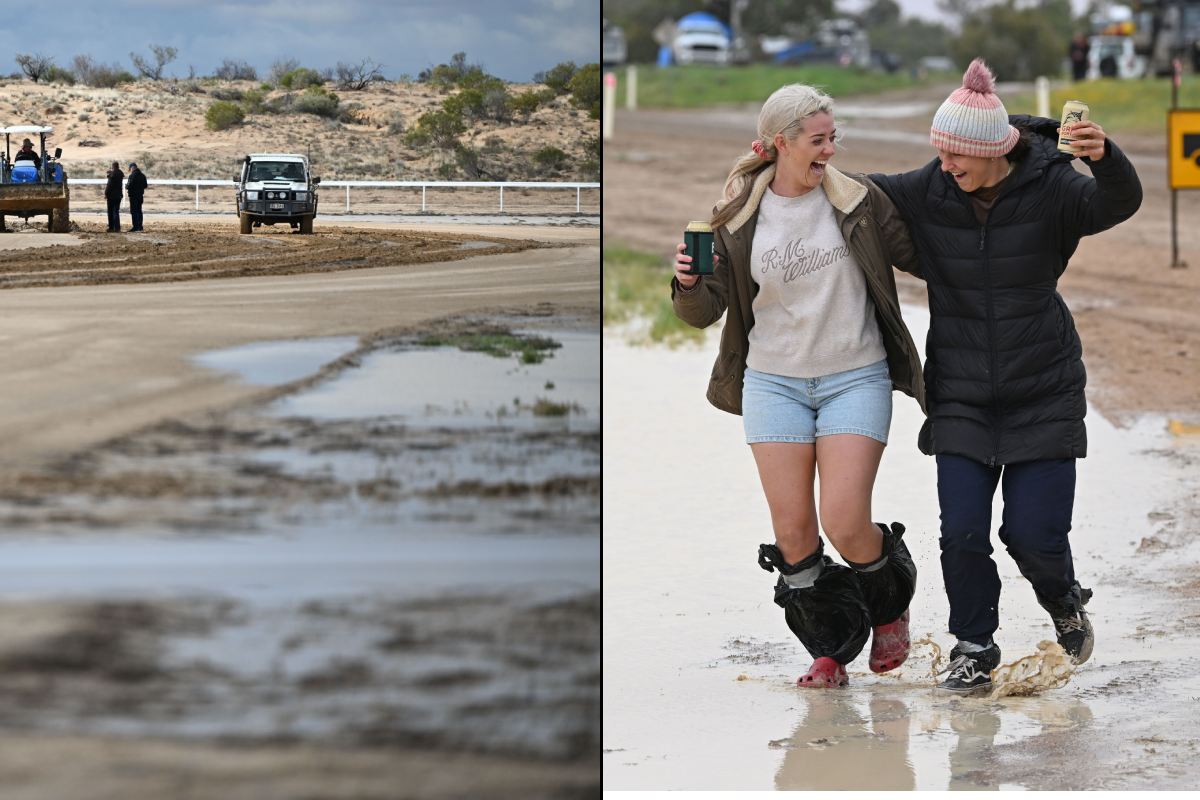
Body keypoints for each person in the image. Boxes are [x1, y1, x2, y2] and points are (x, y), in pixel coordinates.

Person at [869, 59, 1142, 696]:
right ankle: (973, 646)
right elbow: (861, 192)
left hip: (1043, 388)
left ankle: (1065, 600)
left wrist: (1106, 157)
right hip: (961, 393)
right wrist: (790, 164)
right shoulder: (932, 188)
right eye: (939, 153)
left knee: (1031, 537)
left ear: (993, 151)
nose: (945, 166)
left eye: (956, 155)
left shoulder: (1056, 189)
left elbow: (1118, 202)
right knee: (962, 533)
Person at [671, 84, 925, 688]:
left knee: (842, 519)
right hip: (773, 383)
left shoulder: (861, 201)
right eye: (819, 141)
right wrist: (685, 284)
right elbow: (703, 312)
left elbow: (925, 254)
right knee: (794, 538)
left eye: (833, 138)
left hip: (853, 376)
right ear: (780, 144)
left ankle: (888, 606)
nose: (830, 151)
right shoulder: (732, 218)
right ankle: (831, 649)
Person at [127, 161, 147, 232]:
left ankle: (135, 226)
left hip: (133, 196)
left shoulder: (132, 176)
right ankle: (140, 226)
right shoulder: (143, 175)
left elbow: (129, 185)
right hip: (140, 195)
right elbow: (145, 185)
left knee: (134, 211)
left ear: (132, 169)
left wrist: (128, 187)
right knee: (139, 210)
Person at [105, 161, 124, 232]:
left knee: (110, 212)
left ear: (112, 167)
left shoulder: (112, 174)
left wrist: (106, 193)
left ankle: (111, 227)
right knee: (116, 211)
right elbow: (115, 176)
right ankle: (117, 227)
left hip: (111, 195)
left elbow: (109, 185)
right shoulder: (121, 173)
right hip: (118, 195)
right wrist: (111, 172)